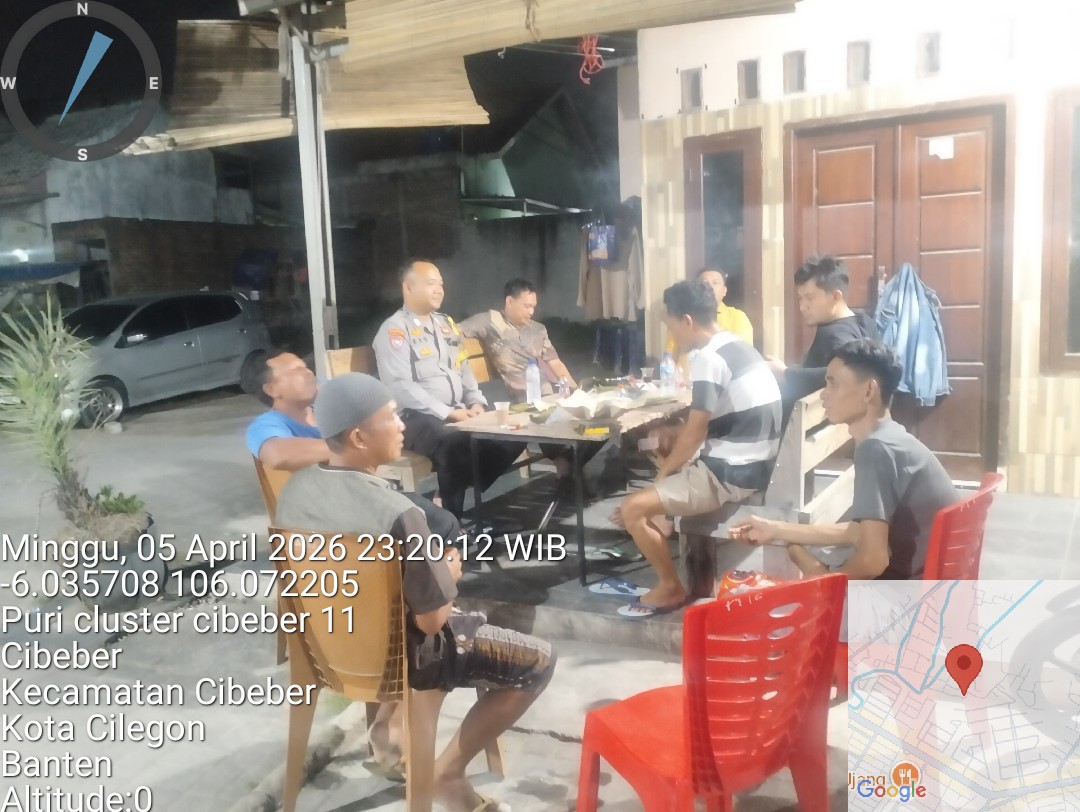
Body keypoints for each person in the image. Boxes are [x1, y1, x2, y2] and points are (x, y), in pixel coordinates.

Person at [274, 373, 554, 812]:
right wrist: (448, 575)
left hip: (328, 648)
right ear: (359, 437)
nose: (403, 425)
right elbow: (432, 620)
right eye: (392, 417)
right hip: (402, 659)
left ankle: (389, 731)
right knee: (536, 662)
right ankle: (447, 774)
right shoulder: (400, 513)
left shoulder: (293, 492)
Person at [614, 279, 782, 618]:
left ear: (687, 321)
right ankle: (663, 518)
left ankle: (670, 586)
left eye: (671, 325)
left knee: (632, 508)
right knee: (664, 444)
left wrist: (662, 476)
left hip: (731, 472)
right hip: (754, 461)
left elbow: (696, 430)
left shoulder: (708, 358)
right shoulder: (737, 345)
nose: (672, 334)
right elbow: (707, 422)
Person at [731, 339, 959, 580]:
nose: (824, 394)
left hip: (907, 594)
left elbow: (873, 560)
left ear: (868, 391)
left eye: (833, 384)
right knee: (799, 551)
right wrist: (777, 529)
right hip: (935, 586)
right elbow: (859, 532)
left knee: (798, 566)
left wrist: (825, 584)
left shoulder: (876, 449)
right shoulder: (891, 437)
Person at [241, 348, 460, 541]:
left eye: (305, 367)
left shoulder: (324, 409)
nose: (308, 373)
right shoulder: (266, 425)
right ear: (271, 390)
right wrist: (347, 445)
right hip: (327, 512)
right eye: (295, 370)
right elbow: (277, 454)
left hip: (364, 492)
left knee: (439, 517)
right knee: (438, 525)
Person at [374, 259, 524, 519]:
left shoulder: (446, 325)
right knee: (455, 443)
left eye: (441, 284)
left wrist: (476, 401)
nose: (439, 290)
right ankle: (451, 520)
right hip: (415, 418)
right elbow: (400, 386)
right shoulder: (395, 330)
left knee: (513, 432)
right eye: (431, 283)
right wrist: (448, 413)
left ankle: (447, 493)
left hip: (457, 411)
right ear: (408, 287)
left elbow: (463, 367)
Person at [459, 278, 598, 493]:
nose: (531, 311)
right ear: (509, 302)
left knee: (599, 424)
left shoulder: (538, 329)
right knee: (554, 424)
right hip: (523, 402)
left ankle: (568, 467)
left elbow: (555, 363)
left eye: (533, 306)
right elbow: (454, 331)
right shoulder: (489, 321)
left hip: (550, 396)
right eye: (527, 306)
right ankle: (567, 469)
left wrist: (575, 391)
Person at [770, 255, 879, 406]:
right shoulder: (865, 322)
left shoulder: (833, 336)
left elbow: (849, 375)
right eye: (800, 298)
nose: (802, 306)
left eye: (809, 298)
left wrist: (785, 374)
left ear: (835, 297)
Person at [665, 267, 753, 358]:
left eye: (715, 283)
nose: (710, 287)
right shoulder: (682, 318)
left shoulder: (738, 317)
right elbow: (669, 355)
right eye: (705, 283)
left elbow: (742, 352)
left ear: (724, 291)